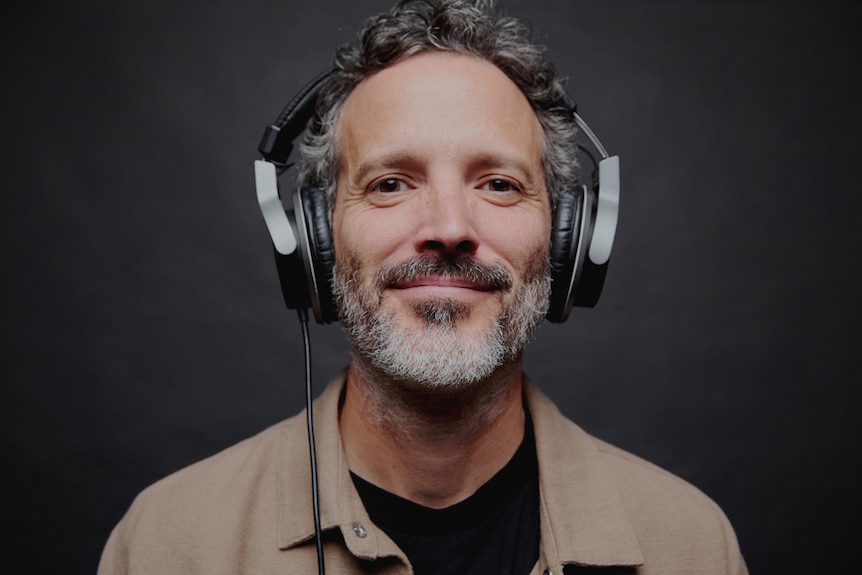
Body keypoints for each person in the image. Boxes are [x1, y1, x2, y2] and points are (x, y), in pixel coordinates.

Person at [99, 1, 748, 574]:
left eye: (498, 183)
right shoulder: (166, 544)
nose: (448, 228)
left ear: (569, 237)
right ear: (315, 237)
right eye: (390, 183)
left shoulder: (690, 545)